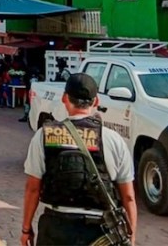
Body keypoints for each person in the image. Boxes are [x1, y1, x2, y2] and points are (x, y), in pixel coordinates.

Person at [20, 74, 136, 246]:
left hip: (55, 228)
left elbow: (32, 189)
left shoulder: (44, 135)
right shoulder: (113, 140)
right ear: (96, 101)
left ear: (64, 98)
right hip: (99, 233)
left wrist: (26, 229)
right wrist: (130, 239)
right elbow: (128, 197)